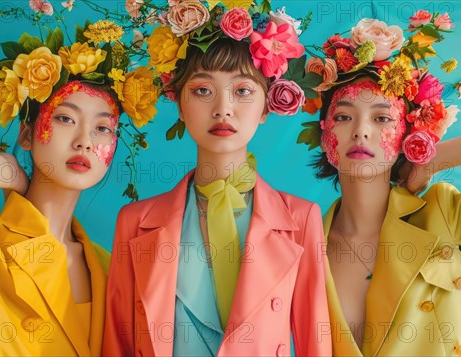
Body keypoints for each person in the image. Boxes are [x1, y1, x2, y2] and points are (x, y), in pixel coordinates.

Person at [0, 13, 152, 355]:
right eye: (65, 118)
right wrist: (3, 168)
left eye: (103, 128)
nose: (85, 141)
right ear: (27, 133)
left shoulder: (107, 266)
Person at [103, 2, 331, 356]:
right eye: (202, 90)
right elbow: (117, 345)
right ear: (178, 103)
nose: (223, 108)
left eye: (242, 91)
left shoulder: (301, 219)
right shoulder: (134, 223)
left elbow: (316, 344)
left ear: (267, 106)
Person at [298, 12, 461, 356]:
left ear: (408, 132)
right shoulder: (300, 246)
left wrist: (436, 156)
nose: (361, 131)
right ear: (324, 133)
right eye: (343, 116)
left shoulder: (450, 219)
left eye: (382, 118)